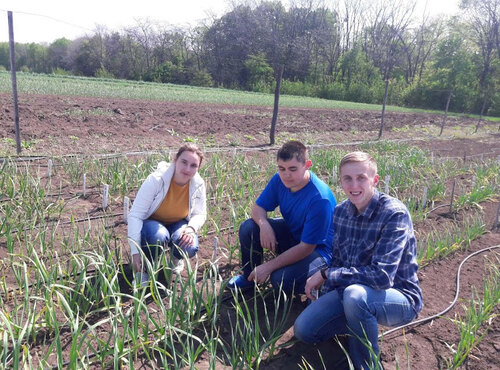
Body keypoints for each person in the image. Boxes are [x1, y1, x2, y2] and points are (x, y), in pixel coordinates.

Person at [294, 151, 423, 369]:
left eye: (361, 178)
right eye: (347, 178)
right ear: (341, 181)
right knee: (304, 330)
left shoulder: (394, 214)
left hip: (397, 297)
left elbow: (382, 278)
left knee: (356, 296)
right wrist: (321, 293)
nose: (354, 185)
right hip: (352, 293)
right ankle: (356, 323)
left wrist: (325, 274)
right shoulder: (341, 212)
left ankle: (367, 364)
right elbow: (338, 261)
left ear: (374, 180)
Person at [228, 140, 337, 295]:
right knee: (249, 228)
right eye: (281, 168)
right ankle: (249, 278)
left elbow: (306, 247)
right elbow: (258, 208)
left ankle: (324, 284)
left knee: (280, 280)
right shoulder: (279, 179)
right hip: (295, 236)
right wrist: (264, 224)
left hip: (320, 251)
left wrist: (269, 266)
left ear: (307, 164)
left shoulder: (319, 198)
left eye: (293, 169)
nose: (286, 175)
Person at [128, 143, 207, 287]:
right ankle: (144, 269)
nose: (187, 169)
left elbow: (200, 213)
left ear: (198, 168)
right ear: (175, 160)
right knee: (157, 236)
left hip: (179, 223)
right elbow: (135, 215)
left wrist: (190, 229)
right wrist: (135, 252)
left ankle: (175, 258)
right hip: (152, 223)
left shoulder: (198, 184)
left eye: (193, 165)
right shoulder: (156, 180)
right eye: (184, 162)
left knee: (188, 246)